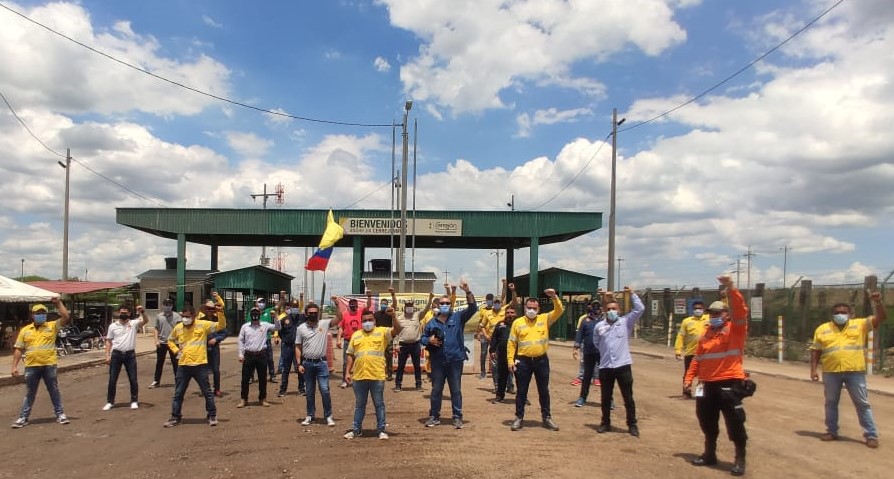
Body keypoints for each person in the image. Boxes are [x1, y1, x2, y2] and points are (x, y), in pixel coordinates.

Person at [684, 276, 749, 476]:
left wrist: (731, 288)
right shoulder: (706, 334)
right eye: (711, 313)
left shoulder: (735, 330)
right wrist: (688, 379)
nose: (714, 316)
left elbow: (740, 310)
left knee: (735, 422)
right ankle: (709, 453)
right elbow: (697, 358)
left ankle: (739, 459)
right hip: (707, 385)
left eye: (718, 313)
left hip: (729, 383)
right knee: (706, 420)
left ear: (727, 315)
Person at [809, 291, 886, 449]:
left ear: (850, 314)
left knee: (862, 404)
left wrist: (878, 303)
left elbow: (880, 318)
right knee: (831, 403)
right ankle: (831, 431)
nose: (840, 315)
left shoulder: (860, 325)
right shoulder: (822, 329)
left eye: (843, 312)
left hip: (855, 371)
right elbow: (816, 351)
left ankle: (871, 435)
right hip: (831, 372)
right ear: (832, 314)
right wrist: (813, 370)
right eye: (837, 313)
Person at [420, 280, 477, 429]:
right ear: (438, 306)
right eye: (442, 303)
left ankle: (457, 417)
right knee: (436, 389)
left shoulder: (458, 318)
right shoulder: (431, 323)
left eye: (447, 303)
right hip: (438, 361)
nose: (445, 305)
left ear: (450, 304)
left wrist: (468, 292)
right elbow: (422, 339)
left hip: (455, 361)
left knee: (456, 390)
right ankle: (434, 416)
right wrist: (429, 340)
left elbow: (473, 308)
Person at [507, 289, 564, 431]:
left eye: (534, 308)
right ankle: (519, 417)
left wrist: (554, 297)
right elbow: (512, 343)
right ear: (524, 308)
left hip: (541, 361)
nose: (531, 310)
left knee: (543, 390)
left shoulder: (545, 319)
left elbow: (559, 310)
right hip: (523, 362)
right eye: (529, 308)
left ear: (538, 309)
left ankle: (547, 418)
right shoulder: (517, 323)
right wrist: (510, 361)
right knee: (521, 391)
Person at [343, 306, 403, 439]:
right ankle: (356, 429)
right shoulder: (356, 335)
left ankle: (381, 430)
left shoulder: (382, 332)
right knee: (359, 405)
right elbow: (350, 355)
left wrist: (393, 316)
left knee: (379, 404)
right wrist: (347, 372)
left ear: (375, 321)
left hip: (376, 375)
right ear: (361, 322)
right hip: (359, 375)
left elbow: (398, 330)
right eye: (364, 320)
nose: (367, 322)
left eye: (370, 320)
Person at [10, 298, 71, 428]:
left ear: (46, 315)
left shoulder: (52, 326)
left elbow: (65, 316)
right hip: (31, 366)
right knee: (30, 392)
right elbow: (19, 349)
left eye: (43, 313)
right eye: (38, 313)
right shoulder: (25, 330)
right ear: (33, 315)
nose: (40, 315)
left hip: (49, 365)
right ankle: (23, 417)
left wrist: (58, 303)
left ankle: (60, 414)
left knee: (53, 390)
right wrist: (14, 366)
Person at [164, 303, 227, 427]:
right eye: (183, 316)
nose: (185, 319)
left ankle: (212, 415)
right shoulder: (178, 328)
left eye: (187, 316)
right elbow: (170, 340)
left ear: (193, 316)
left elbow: (221, 325)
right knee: (178, 393)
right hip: (184, 365)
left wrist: (220, 313)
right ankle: (175, 417)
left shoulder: (202, 325)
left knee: (207, 392)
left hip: (200, 364)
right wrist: (176, 350)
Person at [593, 286, 645, 437]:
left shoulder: (625, 323)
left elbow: (639, 309)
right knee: (605, 397)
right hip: (606, 367)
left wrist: (632, 293)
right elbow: (597, 343)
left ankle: (632, 424)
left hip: (623, 366)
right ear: (604, 310)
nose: (611, 311)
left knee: (628, 397)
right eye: (609, 308)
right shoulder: (599, 326)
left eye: (614, 308)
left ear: (619, 310)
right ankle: (605, 422)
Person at [296, 302, 343, 426]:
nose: (313, 315)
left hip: (321, 363)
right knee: (310, 391)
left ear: (318, 313)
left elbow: (339, 318)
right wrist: (298, 364)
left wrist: (337, 305)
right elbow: (298, 346)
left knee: (325, 390)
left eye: (315, 313)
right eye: (310, 313)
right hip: (307, 364)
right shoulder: (301, 328)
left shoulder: (324, 324)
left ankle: (328, 416)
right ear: (306, 314)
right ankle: (310, 416)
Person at [103, 305, 149, 411]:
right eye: (121, 312)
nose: (123, 314)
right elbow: (109, 341)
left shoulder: (133, 323)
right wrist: (107, 355)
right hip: (116, 354)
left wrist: (142, 312)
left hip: (130, 355)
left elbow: (145, 321)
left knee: (133, 379)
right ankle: (110, 402)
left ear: (129, 314)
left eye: (125, 313)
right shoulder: (113, 326)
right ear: (118, 313)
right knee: (112, 379)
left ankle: (134, 401)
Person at [237, 306, 282, 408]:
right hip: (248, 355)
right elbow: (240, 340)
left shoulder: (265, 325)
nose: (255, 315)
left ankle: (263, 399)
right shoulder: (245, 327)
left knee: (262, 379)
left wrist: (275, 317)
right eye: (253, 313)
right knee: (245, 379)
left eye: (257, 313)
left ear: (259, 315)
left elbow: (278, 328)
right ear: (250, 315)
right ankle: (243, 399)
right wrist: (240, 354)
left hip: (261, 355)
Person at [392, 290, 426, 392]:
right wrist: (396, 344)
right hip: (403, 345)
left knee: (417, 365)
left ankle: (418, 385)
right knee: (401, 366)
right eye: (408, 305)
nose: (409, 307)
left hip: (415, 344)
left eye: (411, 305)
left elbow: (426, 309)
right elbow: (396, 331)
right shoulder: (399, 318)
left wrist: (430, 300)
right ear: (404, 307)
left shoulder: (417, 315)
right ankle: (398, 385)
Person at [675, 301, 708, 399]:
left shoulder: (709, 319)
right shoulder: (687, 321)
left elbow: (724, 311)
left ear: (704, 309)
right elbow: (681, 336)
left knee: (703, 375)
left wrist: (724, 298)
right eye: (696, 308)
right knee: (688, 374)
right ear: (692, 310)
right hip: (691, 352)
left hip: (705, 353)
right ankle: (686, 392)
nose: (698, 310)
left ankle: (700, 394)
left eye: (700, 308)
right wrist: (678, 350)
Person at [196, 293, 227, 397]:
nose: (210, 310)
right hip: (203, 348)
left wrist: (216, 339)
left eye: (212, 309)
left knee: (216, 370)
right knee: (203, 370)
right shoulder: (200, 320)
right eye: (208, 308)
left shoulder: (218, 319)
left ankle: (217, 389)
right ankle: (206, 389)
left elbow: (224, 333)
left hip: (214, 348)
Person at [572, 300, 602, 407]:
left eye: (598, 306)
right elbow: (580, 335)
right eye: (594, 306)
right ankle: (582, 398)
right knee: (587, 376)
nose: (595, 308)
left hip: (602, 353)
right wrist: (576, 348)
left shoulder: (604, 320)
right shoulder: (585, 321)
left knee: (606, 377)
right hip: (588, 352)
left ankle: (609, 399)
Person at [277, 296, 306, 397]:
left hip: (298, 347)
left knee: (300, 367)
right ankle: (283, 389)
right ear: (289, 307)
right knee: (286, 369)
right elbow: (280, 332)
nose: (294, 308)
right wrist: (286, 340)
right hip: (287, 347)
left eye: (296, 306)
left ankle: (302, 389)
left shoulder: (302, 318)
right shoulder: (284, 319)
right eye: (293, 306)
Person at [489, 303, 517, 402]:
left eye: (512, 312)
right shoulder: (500, 324)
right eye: (508, 312)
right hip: (503, 354)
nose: (510, 314)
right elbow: (494, 338)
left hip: (518, 355)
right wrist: (492, 350)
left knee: (521, 378)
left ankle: (523, 398)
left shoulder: (520, 323)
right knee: (502, 376)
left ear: (515, 313)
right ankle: (500, 396)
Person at [150, 298, 180, 388]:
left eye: (169, 305)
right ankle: (156, 381)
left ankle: (178, 380)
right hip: (162, 342)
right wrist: (156, 340)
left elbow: (180, 329)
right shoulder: (159, 316)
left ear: (172, 306)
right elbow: (156, 329)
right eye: (166, 305)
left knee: (176, 363)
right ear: (163, 305)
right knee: (159, 362)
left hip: (174, 343)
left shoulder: (177, 316)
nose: (168, 307)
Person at [334, 296, 363, 389]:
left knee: (360, 361)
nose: (353, 307)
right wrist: (338, 340)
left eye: (354, 306)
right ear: (349, 306)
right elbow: (341, 328)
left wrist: (369, 296)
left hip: (359, 341)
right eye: (351, 306)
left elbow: (369, 305)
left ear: (357, 306)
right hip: (348, 341)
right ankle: (344, 380)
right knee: (346, 361)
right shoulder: (345, 315)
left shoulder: (361, 313)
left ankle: (359, 381)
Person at [370, 289, 395, 382]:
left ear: (387, 304)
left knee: (389, 357)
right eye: (382, 303)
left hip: (388, 337)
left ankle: (389, 374)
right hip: (378, 337)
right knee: (378, 356)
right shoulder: (376, 314)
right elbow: (373, 324)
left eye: (385, 303)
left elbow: (395, 304)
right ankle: (379, 373)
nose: (384, 305)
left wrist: (393, 294)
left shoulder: (389, 313)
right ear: (380, 304)